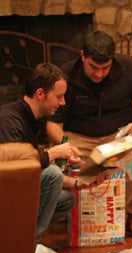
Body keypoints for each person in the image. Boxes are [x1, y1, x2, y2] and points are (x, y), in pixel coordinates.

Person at [47, 31, 132, 237]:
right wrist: (64, 145)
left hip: (118, 137)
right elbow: (53, 123)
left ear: (112, 60)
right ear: (82, 56)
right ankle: (72, 214)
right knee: (65, 161)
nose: (99, 74)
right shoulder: (67, 75)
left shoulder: (128, 68)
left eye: (104, 68)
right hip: (79, 138)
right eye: (93, 67)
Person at [0, 63, 101, 243]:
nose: (63, 103)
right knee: (53, 173)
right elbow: (15, 171)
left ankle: (22, 238)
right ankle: (29, 246)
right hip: (6, 196)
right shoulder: (9, 120)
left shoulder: (34, 120)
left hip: (17, 193)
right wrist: (53, 153)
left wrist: (79, 183)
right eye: (59, 97)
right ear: (40, 94)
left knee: (67, 199)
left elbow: (34, 174)